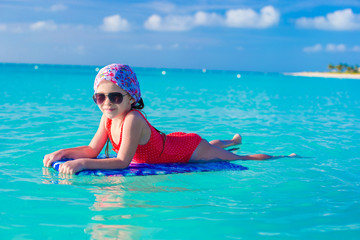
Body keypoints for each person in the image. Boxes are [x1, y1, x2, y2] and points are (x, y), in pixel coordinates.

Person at [43, 64, 297, 174]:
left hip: (187, 150)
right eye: (100, 97)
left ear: (132, 98)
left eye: (115, 97)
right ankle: (230, 139)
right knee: (213, 145)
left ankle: (283, 156)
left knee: (240, 158)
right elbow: (92, 149)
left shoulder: (132, 119)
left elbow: (122, 162)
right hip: (172, 142)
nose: (107, 103)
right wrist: (62, 153)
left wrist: (83, 164)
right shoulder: (108, 119)